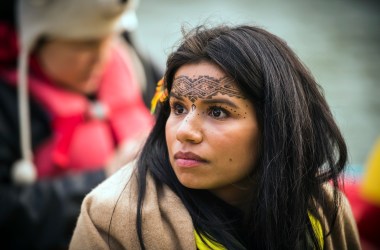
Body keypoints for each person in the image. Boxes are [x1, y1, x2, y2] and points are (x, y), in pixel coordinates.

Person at [69, 25, 361, 249]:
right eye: (178, 108)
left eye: (218, 112)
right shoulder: (111, 220)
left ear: (275, 124)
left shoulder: (322, 207)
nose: (185, 131)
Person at [0, 0, 154, 249]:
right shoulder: (8, 103)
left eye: (110, 39)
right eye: (85, 44)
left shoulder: (131, 59)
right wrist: (106, 179)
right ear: (37, 40)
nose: (102, 58)